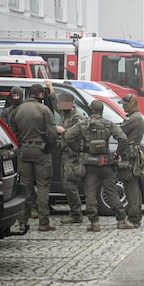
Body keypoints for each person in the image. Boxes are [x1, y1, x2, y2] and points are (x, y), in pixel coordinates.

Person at [64, 99, 134, 232]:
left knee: (90, 194)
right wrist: (118, 153)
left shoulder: (83, 124)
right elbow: (123, 139)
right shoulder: (108, 124)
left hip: (89, 165)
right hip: (106, 164)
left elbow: (68, 136)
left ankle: (94, 223)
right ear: (102, 110)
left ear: (91, 110)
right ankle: (121, 220)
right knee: (112, 193)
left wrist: (78, 149)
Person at [10, 83, 59, 231]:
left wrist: (21, 145)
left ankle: (22, 222)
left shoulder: (18, 110)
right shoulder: (44, 110)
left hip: (24, 151)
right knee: (43, 186)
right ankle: (43, 222)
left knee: (25, 186)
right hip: (41, 151)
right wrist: (49, 148)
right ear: (40, 95)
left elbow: (13, 132)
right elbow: (52, 134)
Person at [1, 86, 39, 219]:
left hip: (25, 146)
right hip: (13, 147)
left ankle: (32, 206)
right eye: (14, 96)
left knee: (28, 179)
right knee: (20, 180)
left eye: (18, 96)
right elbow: (4, 128)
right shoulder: (7, 112)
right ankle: (23, 208)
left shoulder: (25, 110)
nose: (15, 98)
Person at [56, 93, 85, 225]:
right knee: (66, 184)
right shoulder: (64, 112)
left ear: (72, 103)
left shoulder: (77, 118)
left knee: (70, 184)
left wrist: (63, 131)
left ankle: (76, 214)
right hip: (65, 154)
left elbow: (78, 136)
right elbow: (55, 103)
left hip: (73, 155)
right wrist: (51, 89)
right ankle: (74, 213)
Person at [118, 94, 144, 227]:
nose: (123, 106)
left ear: (131, 104)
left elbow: (119, 131)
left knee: (131, 187)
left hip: (130, 156)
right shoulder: (137, 117)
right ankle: (136, 217)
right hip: (134, 155)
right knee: (134, 186)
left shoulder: (133, 119)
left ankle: (133, 219)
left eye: (125, 104)